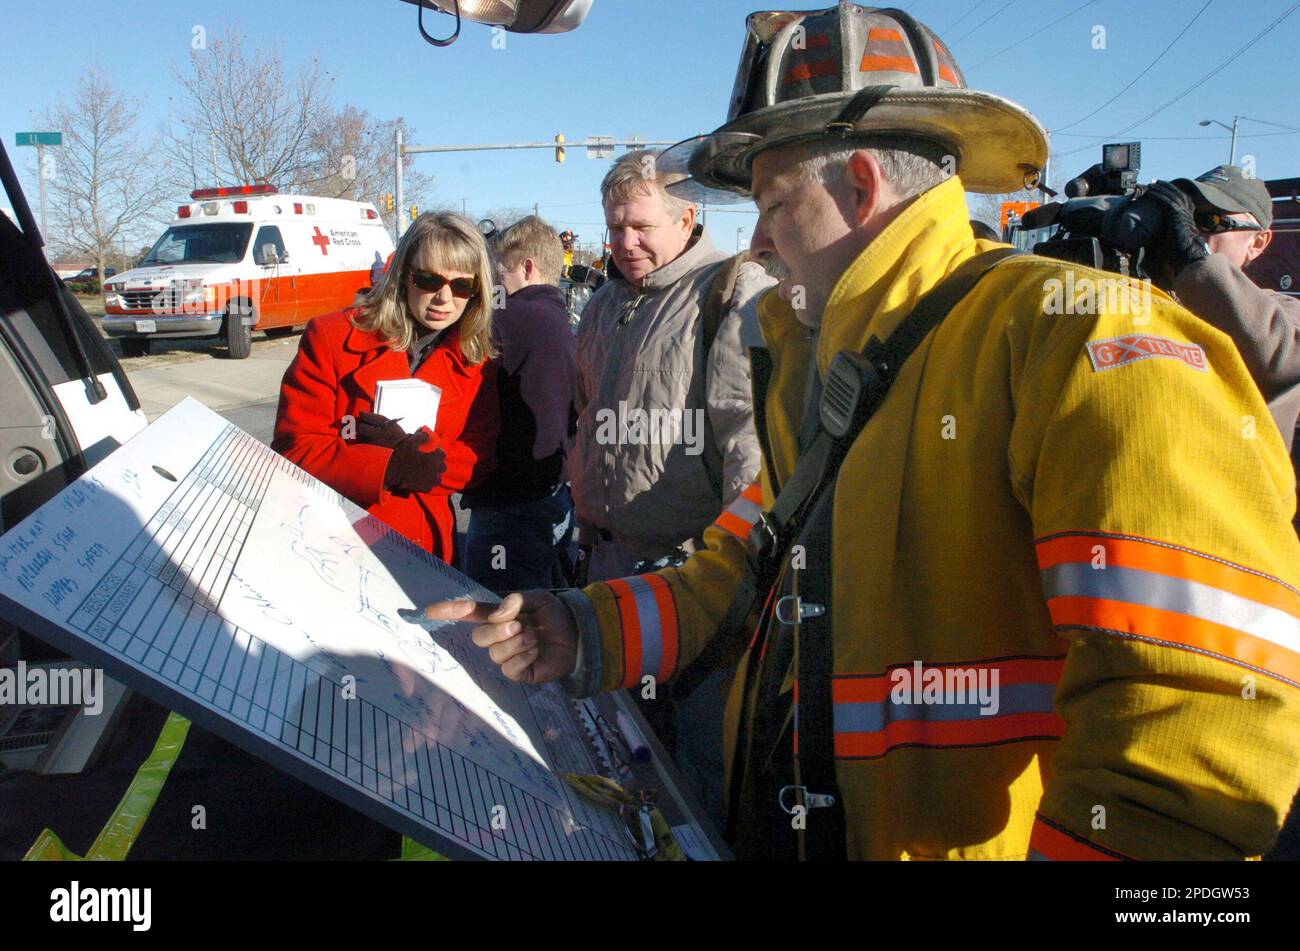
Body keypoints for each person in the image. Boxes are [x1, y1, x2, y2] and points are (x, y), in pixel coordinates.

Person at [427, 3, 1300, 861]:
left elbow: (1197, 722)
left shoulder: (1084, 343)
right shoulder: (820, 363)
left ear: (859, 186)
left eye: (770, 200)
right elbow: (738, 572)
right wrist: (584, 630)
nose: (758, 240)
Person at [565, 149, 774, 826]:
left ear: (688, 216)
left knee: (699, 773)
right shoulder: (600, 305)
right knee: (624, 756)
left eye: (641, 226)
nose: (624, 242)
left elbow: (750, 447)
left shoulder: (732, 293)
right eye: (614, 226)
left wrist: (740, 581)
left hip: (695, 580)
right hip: (608, 566)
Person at [273, 211, 498, 565]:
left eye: (461, 286)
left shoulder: (476, 362)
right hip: (332, 540)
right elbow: (295, 450)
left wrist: (429, 459)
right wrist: (386, 467)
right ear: (404, 276)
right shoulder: (332, 337)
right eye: (428, 280)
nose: (443, 297)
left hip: (425, 548)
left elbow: (479, 454)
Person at [1119, 166, 1300, 453]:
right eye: (1187, 218)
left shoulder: (1282, 311)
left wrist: (1193, 260)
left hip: (1234, 492)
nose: (1191, 232)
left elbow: (1277, 354)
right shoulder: (1146, 300)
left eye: (1211, 221)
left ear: (1258, 242)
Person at [461, 216, 578, 592]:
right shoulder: (563, 321)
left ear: (527, 267)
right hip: (554, 496)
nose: (495, 284)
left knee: (492, 618)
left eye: (499, 272)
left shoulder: (509, 319)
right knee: (543, 607)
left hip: (510, 507)